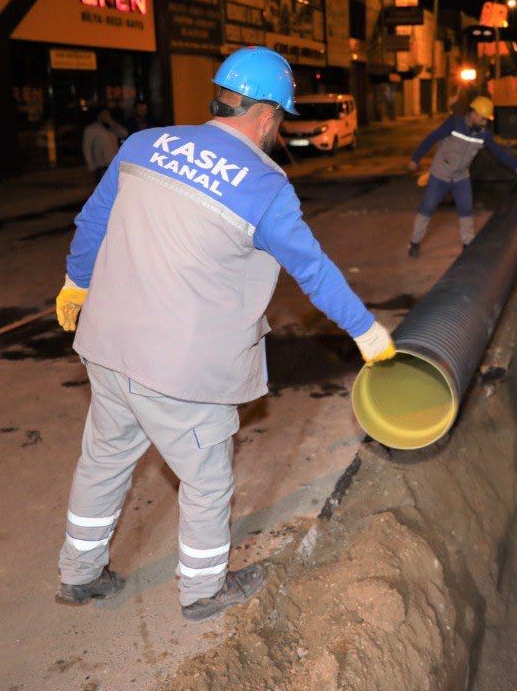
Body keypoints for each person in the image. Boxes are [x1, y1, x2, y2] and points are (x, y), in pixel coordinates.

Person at [52, 46, 396, 621]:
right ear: (265, 116)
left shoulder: (143, 144)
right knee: (207, 481)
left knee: (104, 460)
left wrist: (76, 283)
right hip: (179, 369)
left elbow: (92, 223)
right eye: (278, 119)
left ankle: (78, 574)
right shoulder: (264, 186)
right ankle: (204, 590)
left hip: (107, 345)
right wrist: (365, 331)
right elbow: (313, 270)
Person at [405, 96, 517, 257]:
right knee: (428, 207)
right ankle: (414, 242)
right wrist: (415, 159)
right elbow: (432, 138)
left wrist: (516, 167)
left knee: (466, 209)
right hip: (440, 174)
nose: (485, 123)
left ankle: (467, 243)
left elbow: (498, 152)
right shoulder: (454, 124)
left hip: (461, 177)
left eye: (486, 120)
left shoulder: (483, 134)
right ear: (474, 114)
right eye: (483, 119)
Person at [81, 106, 127, 183]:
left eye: (108, 114)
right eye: (104, 114)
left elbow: (124, 134)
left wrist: (112, 123)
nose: (106, 117)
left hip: (114, 165)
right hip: (101, 166)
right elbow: (86, 147)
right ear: (99, 115)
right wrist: (91, 165)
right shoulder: (91, 129)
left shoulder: (112, 128)